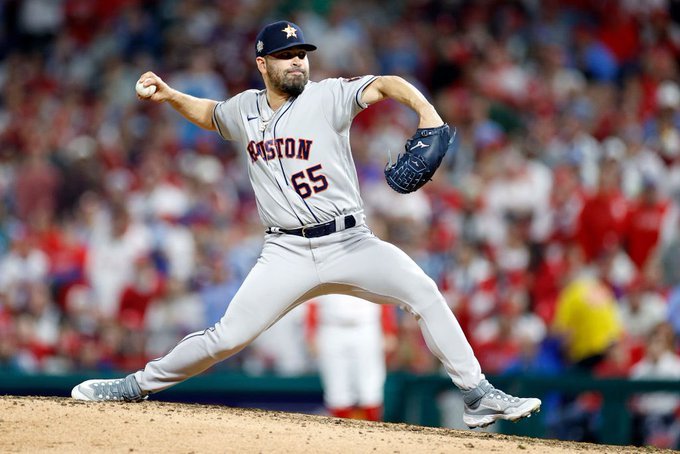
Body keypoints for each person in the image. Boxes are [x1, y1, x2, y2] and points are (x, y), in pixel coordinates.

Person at [70, 20, 541, 429]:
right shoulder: (245, 109)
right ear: (262, 64)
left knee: (423, 292)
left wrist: (427, 113)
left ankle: (478, 396)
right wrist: (172, 96)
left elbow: (386, 84)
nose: (297, 62)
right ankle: (131, 386)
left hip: (351, 241)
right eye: (285, 56)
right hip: (285, 254)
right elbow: (212, 116)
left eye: (301, 55)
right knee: (226, 338)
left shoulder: (329, 96)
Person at [306, 294, 397, 421]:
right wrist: (311, 334)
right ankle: (341, 436)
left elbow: (382, 293)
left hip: (366, 326)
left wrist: (388, 329)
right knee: (337, 389)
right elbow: (312, 300)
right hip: (331, 327)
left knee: (370, 387)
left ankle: (373, 435)